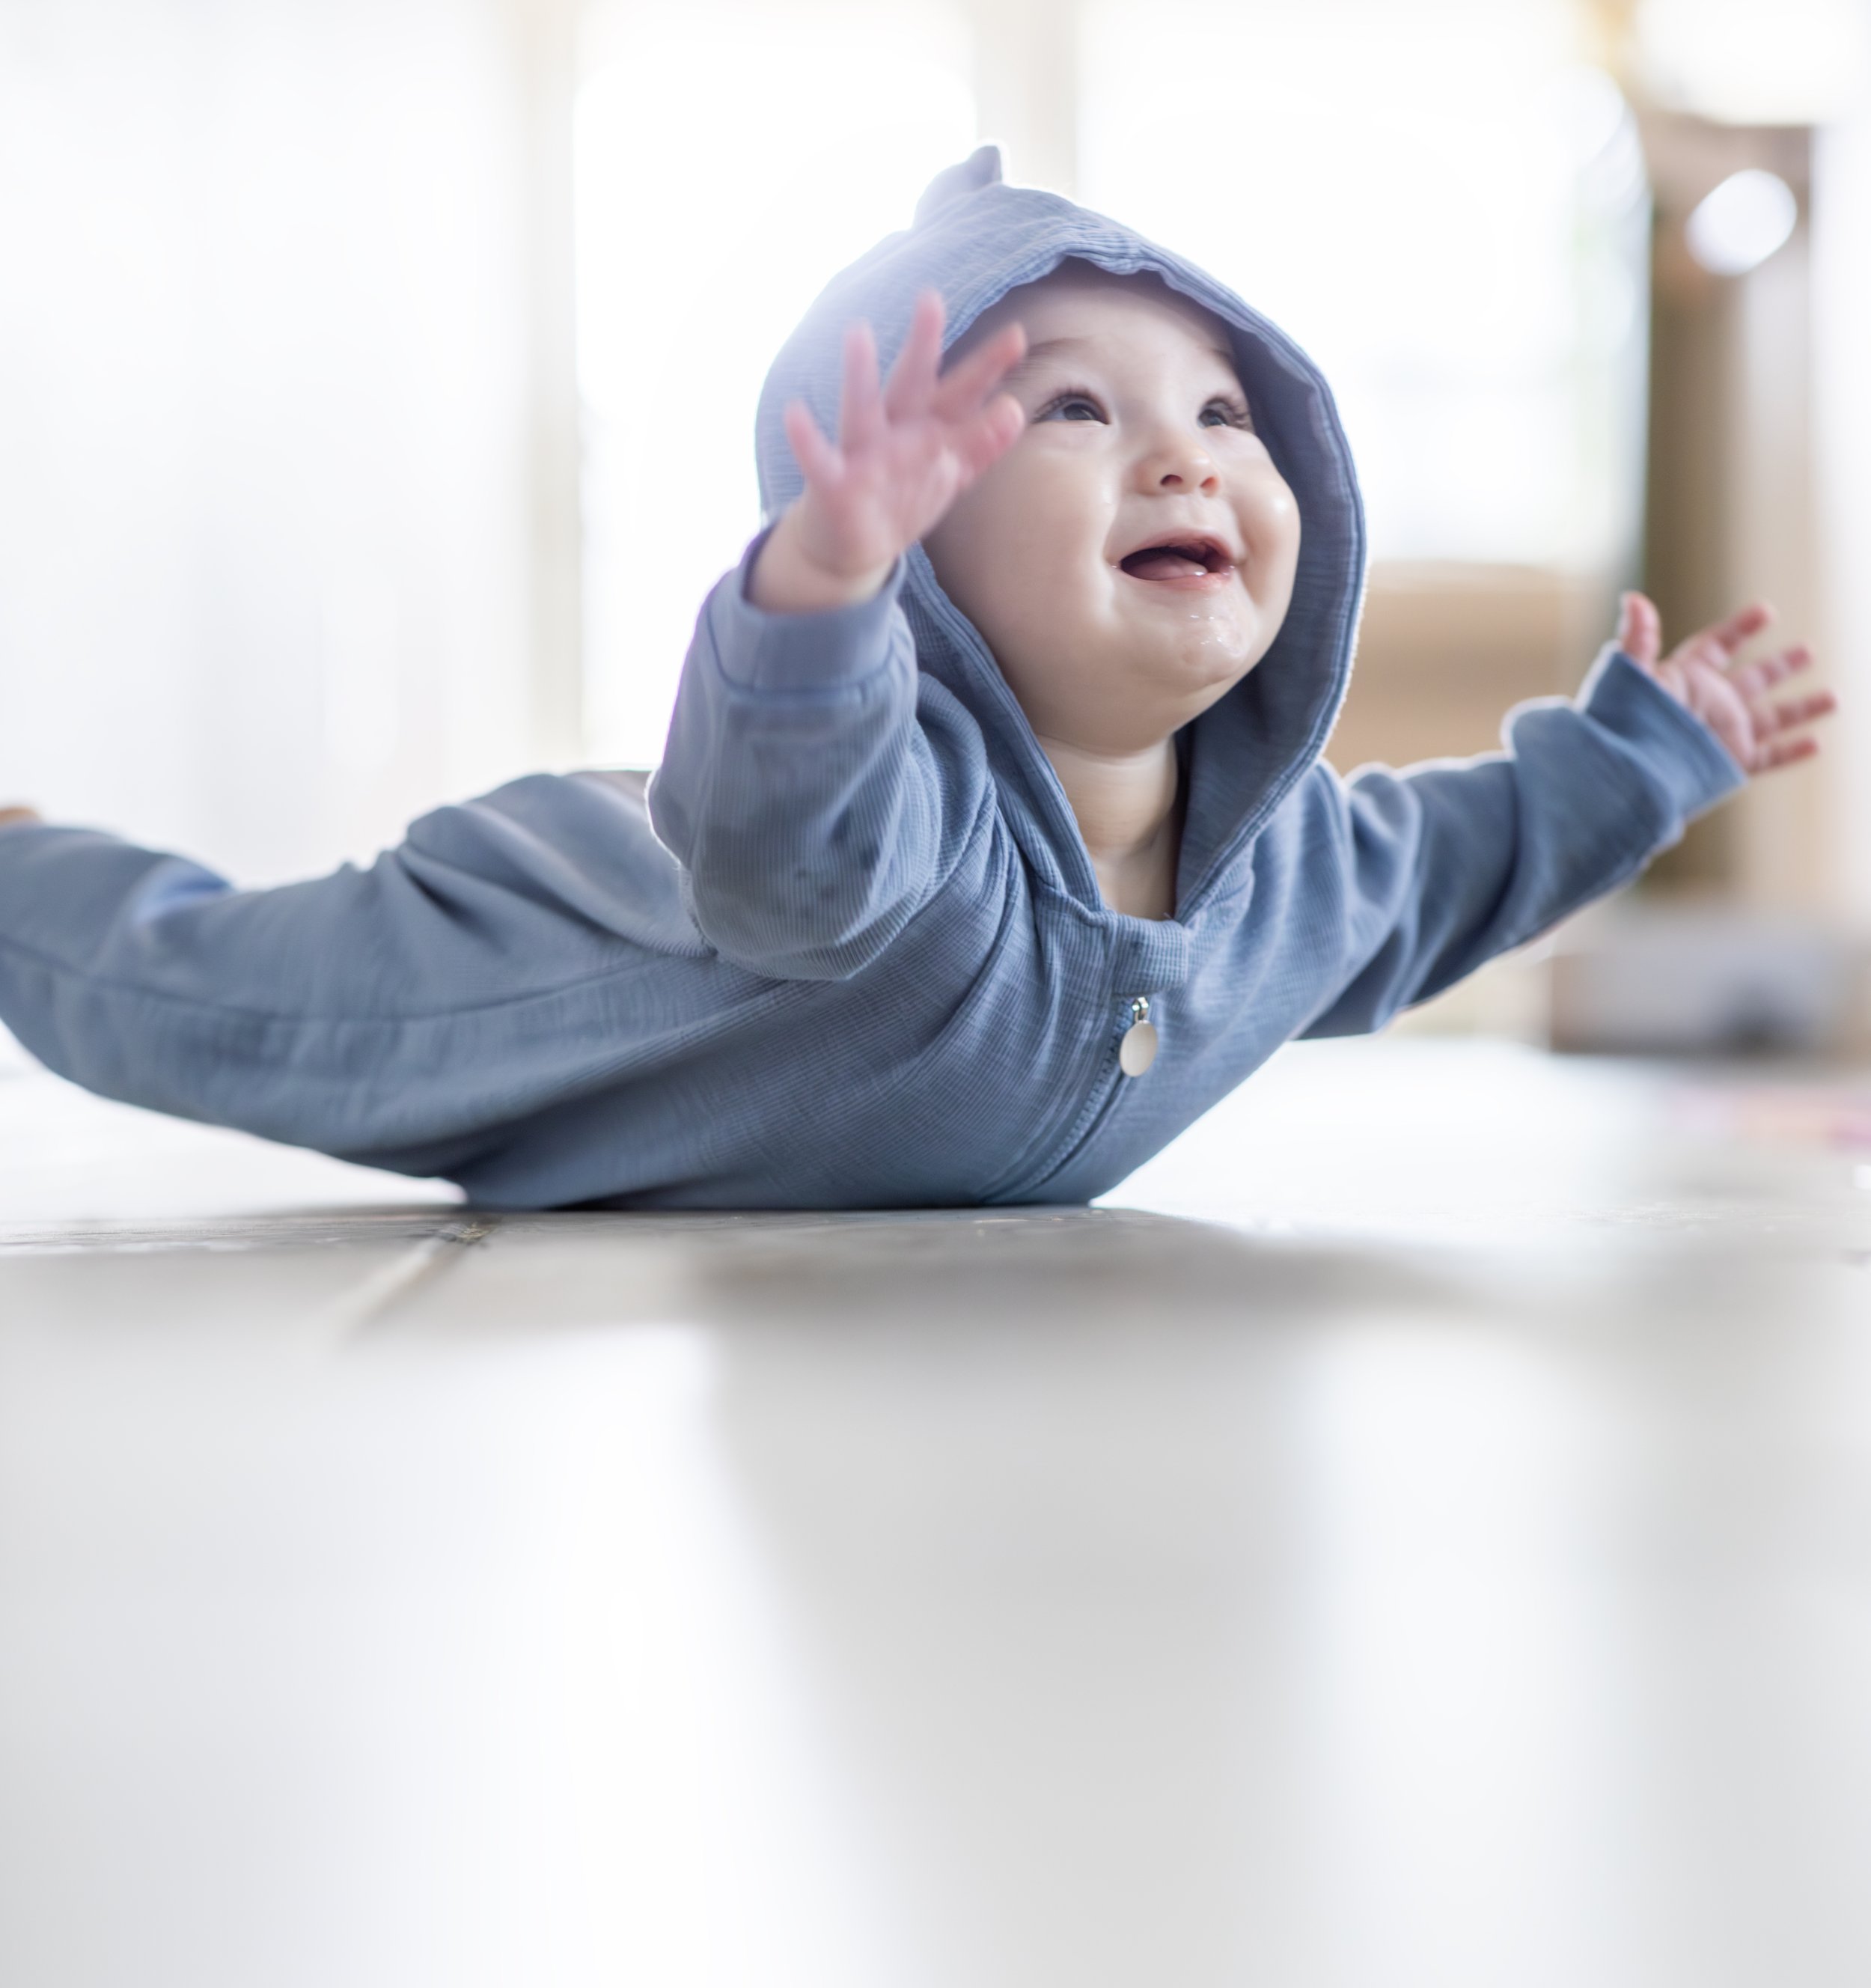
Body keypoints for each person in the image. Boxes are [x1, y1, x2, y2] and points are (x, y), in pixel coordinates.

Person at [0, 149, 1834, 1209]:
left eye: (1222, 412)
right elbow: (792, 848)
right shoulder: (900, 825)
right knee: (214, 997)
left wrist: (1643, 759)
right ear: (926, 560)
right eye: (1070, 411)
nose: (1184, 456)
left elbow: (1458, 863)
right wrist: (821, 577)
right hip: (572, 948)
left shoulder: (1288, 880)